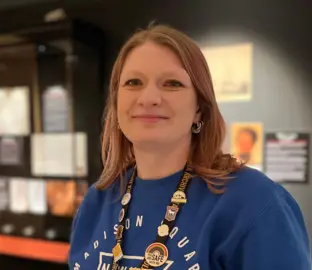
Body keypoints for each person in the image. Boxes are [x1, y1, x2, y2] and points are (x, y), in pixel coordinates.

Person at [68, 24, 311, 270]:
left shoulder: (253, 202)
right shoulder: (96, 201)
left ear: (199, 109)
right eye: (133, 82)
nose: (149, 98)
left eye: (172, 84)